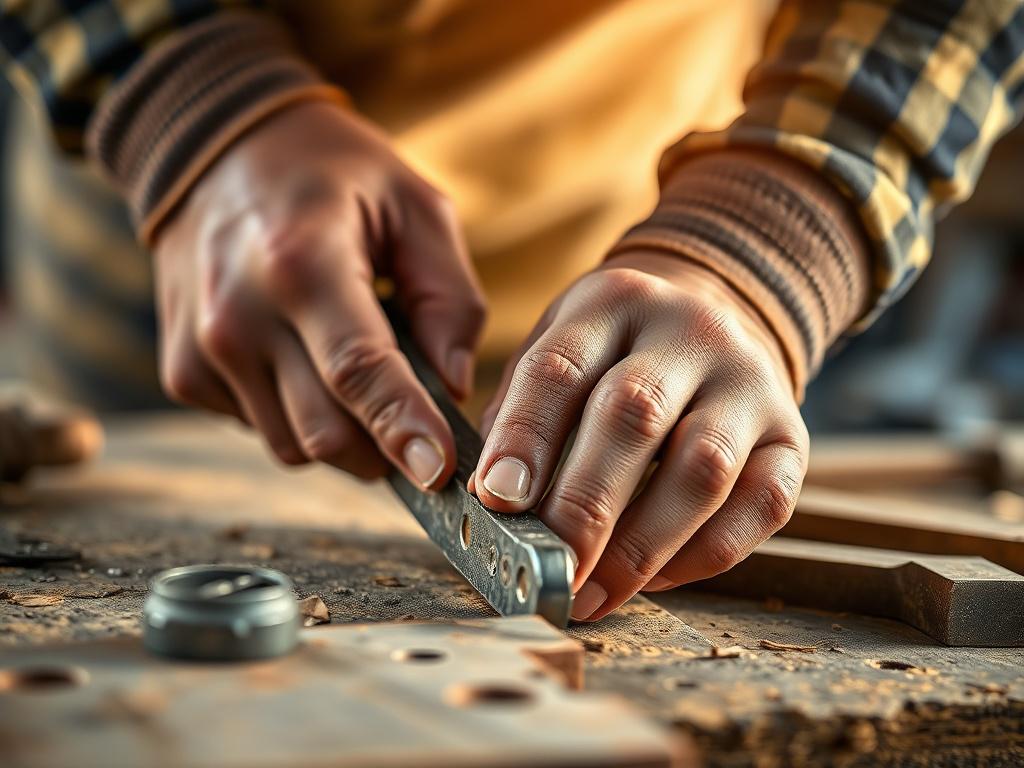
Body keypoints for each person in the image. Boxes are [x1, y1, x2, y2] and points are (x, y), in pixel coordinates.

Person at [1, 1, 1021, 622]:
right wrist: (187, 98)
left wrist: (763, 242)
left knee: (630, 450)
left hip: (632, 243)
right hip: (192, 253)